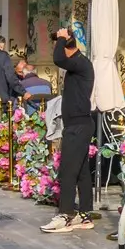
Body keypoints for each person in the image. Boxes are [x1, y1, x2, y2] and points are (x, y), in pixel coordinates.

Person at [40, 27, 96, 233]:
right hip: (76, 125)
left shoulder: (80, 63)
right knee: (81, 171)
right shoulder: (77, 66)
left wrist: (61, 38)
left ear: (68, 49)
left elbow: (58, 60)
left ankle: (65, 215)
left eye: (62, 46)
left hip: (79, 126)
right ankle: (84, 214)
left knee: (67, 172)